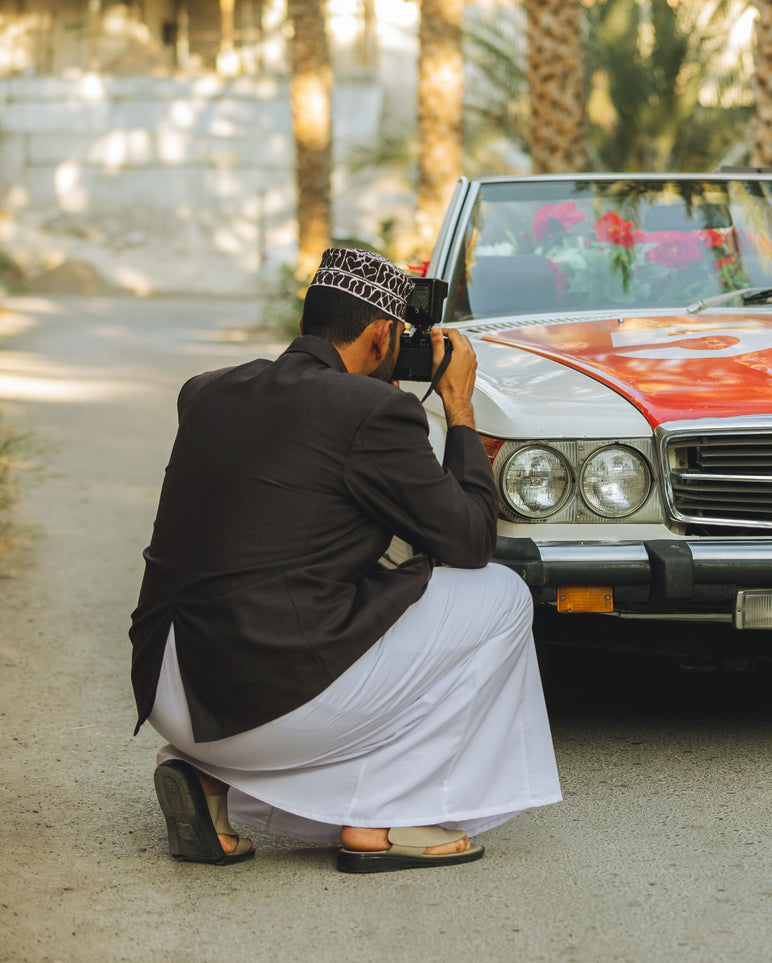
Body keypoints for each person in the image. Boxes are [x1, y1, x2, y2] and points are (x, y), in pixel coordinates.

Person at [129, 247, 561, 873]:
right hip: (256, 703)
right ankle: (389, 818)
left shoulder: (207, 391)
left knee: (326, 595)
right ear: (384, 334)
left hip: (169, 690)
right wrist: (459, 408)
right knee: (499, 595)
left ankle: (204, 780)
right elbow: (468, 542)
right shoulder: (372, 412)